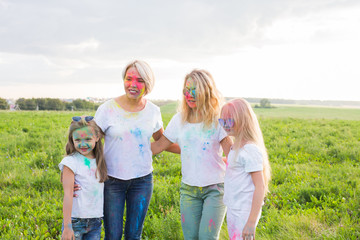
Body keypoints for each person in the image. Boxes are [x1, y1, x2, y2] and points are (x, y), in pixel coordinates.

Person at [94, 60, 179, 239]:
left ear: (148, 84)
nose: (133, 84)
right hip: (112, 181)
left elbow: (161, 142)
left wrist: (192, 150)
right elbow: (90, 144)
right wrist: (76, 173)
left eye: (139, 80)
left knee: (134, 235)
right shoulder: (107, 109)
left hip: (142, 181)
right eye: (129, 78)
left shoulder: (153, 111)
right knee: (113, 235)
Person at [151, 69, 232, 240]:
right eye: (186, 90)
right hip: (188, 190)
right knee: (190, 237)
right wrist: (125, 149)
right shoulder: (179, 119)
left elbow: (232, 153)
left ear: (207, 91)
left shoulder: (219, 119)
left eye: (195, 90)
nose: (190, 95)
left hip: (215, 189)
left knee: (207, 237)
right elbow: (159, 146)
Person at [219, 98, 271, 240]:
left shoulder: (250, 149)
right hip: (234, 207)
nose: (224, 125)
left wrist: (251, 222)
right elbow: (237, 166)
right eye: (221, 121)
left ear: (242, 120)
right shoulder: (237, 146)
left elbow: (260, 186)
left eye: (228, 121)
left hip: (244, 211)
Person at [59, 116, 107, 240]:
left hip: (95, 221)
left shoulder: (100, 161)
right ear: (72, 140)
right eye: (78, 140)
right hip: (75, 221)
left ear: (96, 137)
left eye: (87, 139)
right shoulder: (70, 162)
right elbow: (68, 195)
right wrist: (67, 226)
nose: (83, 144)